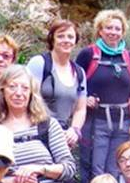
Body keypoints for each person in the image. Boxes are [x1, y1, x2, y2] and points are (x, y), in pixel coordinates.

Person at [75, 9, 130, 183]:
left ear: (123, 32)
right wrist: (85, 98)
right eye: (109, 28)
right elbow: (74, 84)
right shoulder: (88, 54)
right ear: (100, 30)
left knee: (116, 168)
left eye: (117, 28)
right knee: (95, 169)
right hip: (96, 121)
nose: (113, 32)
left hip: (122, 121)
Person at [25, 18, 88, 149]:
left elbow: (80, 109)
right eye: (60, 36)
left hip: (63, 137)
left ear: (75, 42)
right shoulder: (39, 64)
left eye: (70, 37)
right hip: (35, 133)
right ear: (52, 39)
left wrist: (74, 130)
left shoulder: (79, 72)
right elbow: (27, 98)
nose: (66, 40)